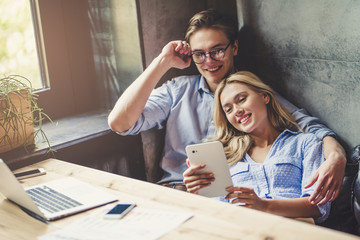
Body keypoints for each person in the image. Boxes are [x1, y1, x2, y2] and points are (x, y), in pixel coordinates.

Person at [108, 9, 346, 205]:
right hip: (172, 192)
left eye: (217, 51)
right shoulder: (177, 90)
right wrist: (162, 62)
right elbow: (119, 123)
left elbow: (310, 127)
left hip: (223, 200)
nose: (209, 62)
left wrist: (336, 157)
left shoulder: (254, 94)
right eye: (199, 54)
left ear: (234, 48)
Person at [183, 71, 331, 223]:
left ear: (264, 96)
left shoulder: (305, 143)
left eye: (241, 99)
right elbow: (215, 213)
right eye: (228, 109)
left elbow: (318, 206)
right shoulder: (225, 157)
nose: (237, 110)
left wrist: (264, 206)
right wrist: (196, 193)